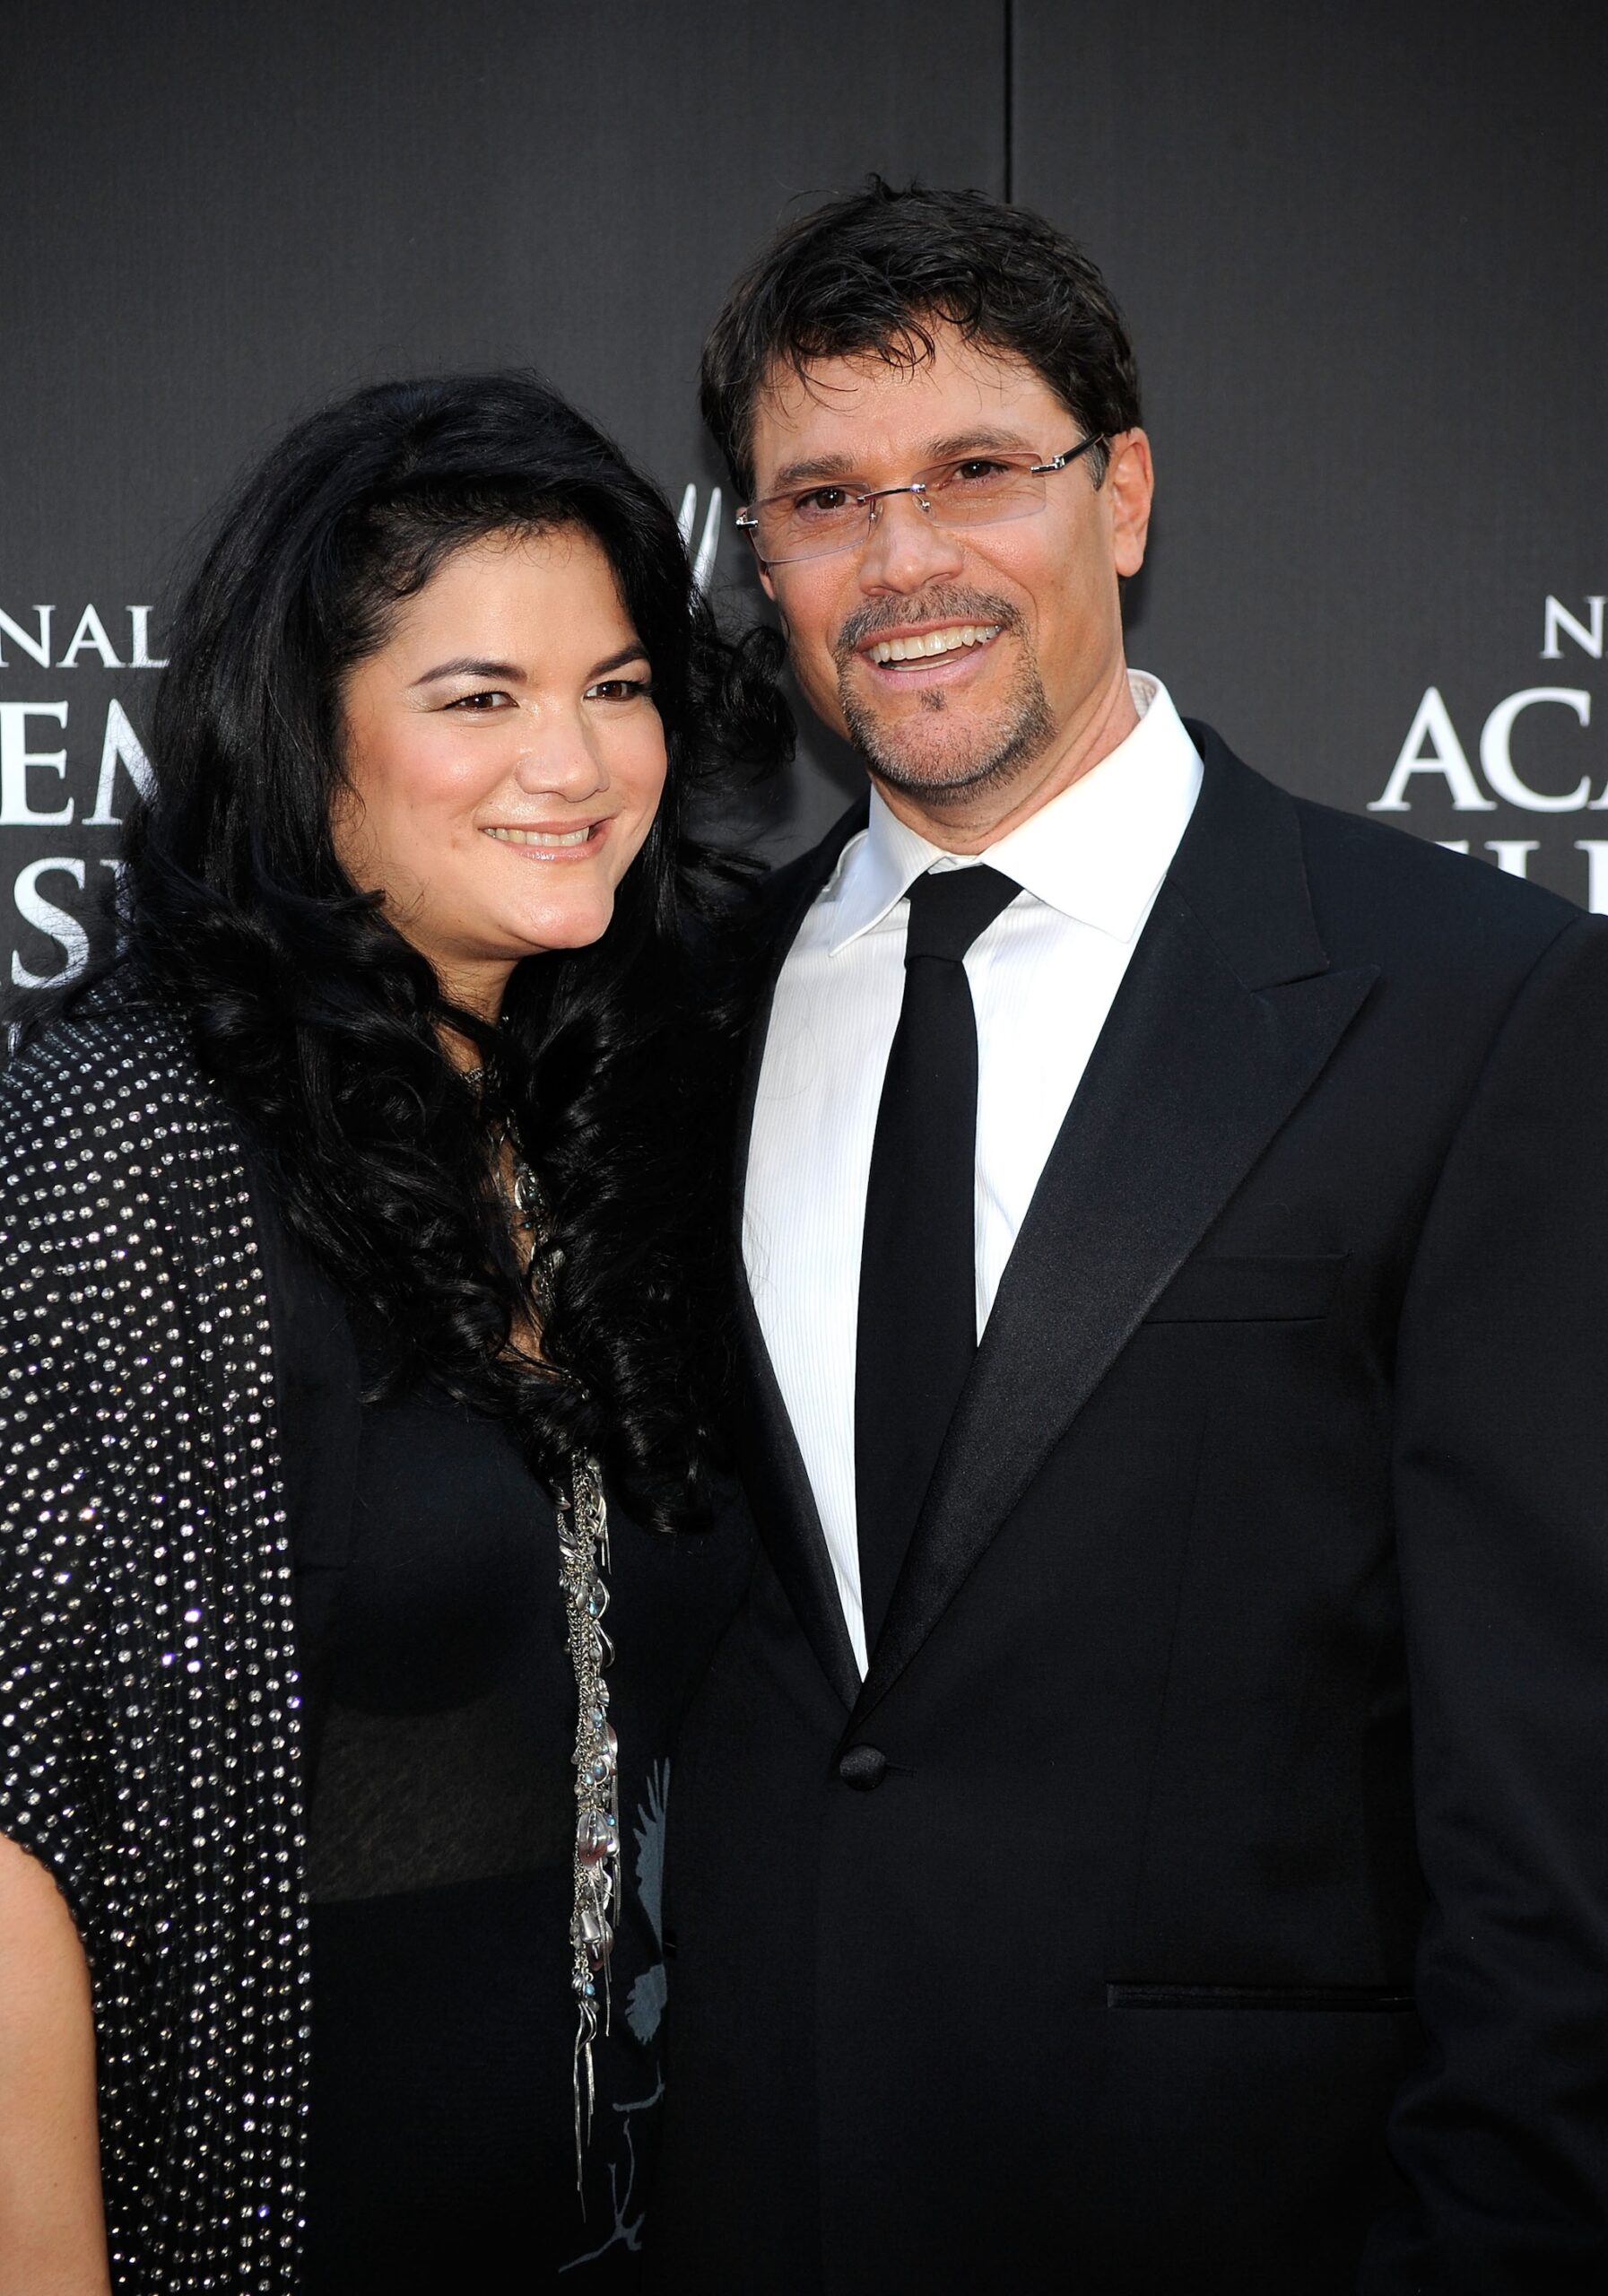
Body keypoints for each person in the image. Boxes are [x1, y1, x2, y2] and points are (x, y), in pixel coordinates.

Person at [647, 179, 1608, 2292]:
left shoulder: (1472, 1000)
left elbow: (1555, 1802)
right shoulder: (668, 1015)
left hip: (1242, 2218)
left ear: (1127, 493)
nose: (903, 561)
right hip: (750, 2194)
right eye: (823, 497)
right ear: (761, 555)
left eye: (978, 470)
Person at [0, 370, 787, 2293]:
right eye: (479, 696)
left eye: (616, 686)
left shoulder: (617, 1123)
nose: (579, 760)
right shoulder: (117, 1144)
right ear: (310, 739)